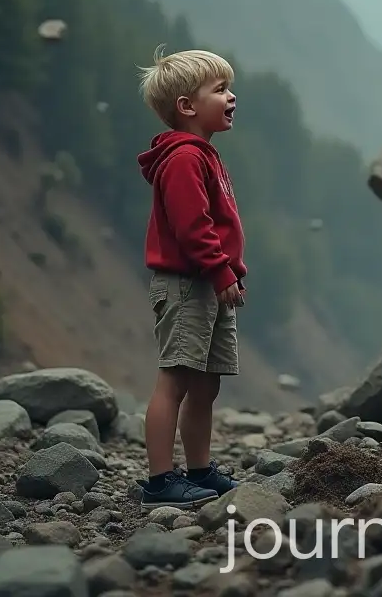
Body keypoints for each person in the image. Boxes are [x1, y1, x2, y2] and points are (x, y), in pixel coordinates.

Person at [135, 47, 246, 509]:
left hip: (207, 280)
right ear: (187, 106)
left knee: (207, 383)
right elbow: (192, 226)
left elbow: (217, 224)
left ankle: (199, 470)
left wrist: (228, 270)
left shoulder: (205, 154)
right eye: (220, 90)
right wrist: (221, 270)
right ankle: (160, 482)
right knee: (176, 379)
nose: (232, 97)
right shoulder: (183, 159)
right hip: (188, 282)